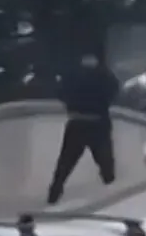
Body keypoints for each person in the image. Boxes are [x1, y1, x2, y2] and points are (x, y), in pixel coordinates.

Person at [47, 54, 120, 204]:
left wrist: (71, 103)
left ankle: (53, 195)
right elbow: (114, 90)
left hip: (77, 121)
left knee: (65, 163)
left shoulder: (73, 74)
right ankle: (112, 194)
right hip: (98, 122)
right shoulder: (104, 74)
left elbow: (60, 91)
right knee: (105, 163)